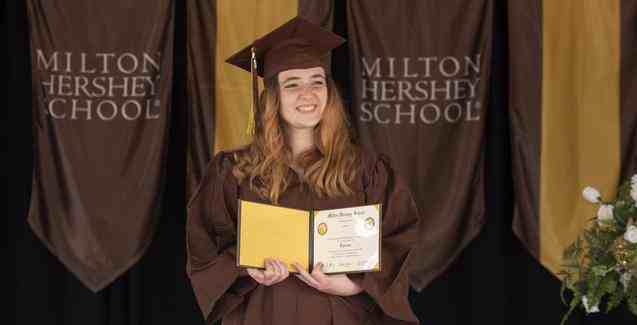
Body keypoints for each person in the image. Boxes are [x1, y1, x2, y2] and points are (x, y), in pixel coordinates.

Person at [186, 17, 421, 325]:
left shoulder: (365, 171)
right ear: (273, 97)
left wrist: (352, 285)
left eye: (317, 81)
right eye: (292, 84)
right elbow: (204, 248)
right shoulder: (235, 172)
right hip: (263, 314)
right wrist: (246, 268)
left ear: (329, 91)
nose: (307, 94)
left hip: (343, 317)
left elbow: (398, 239)